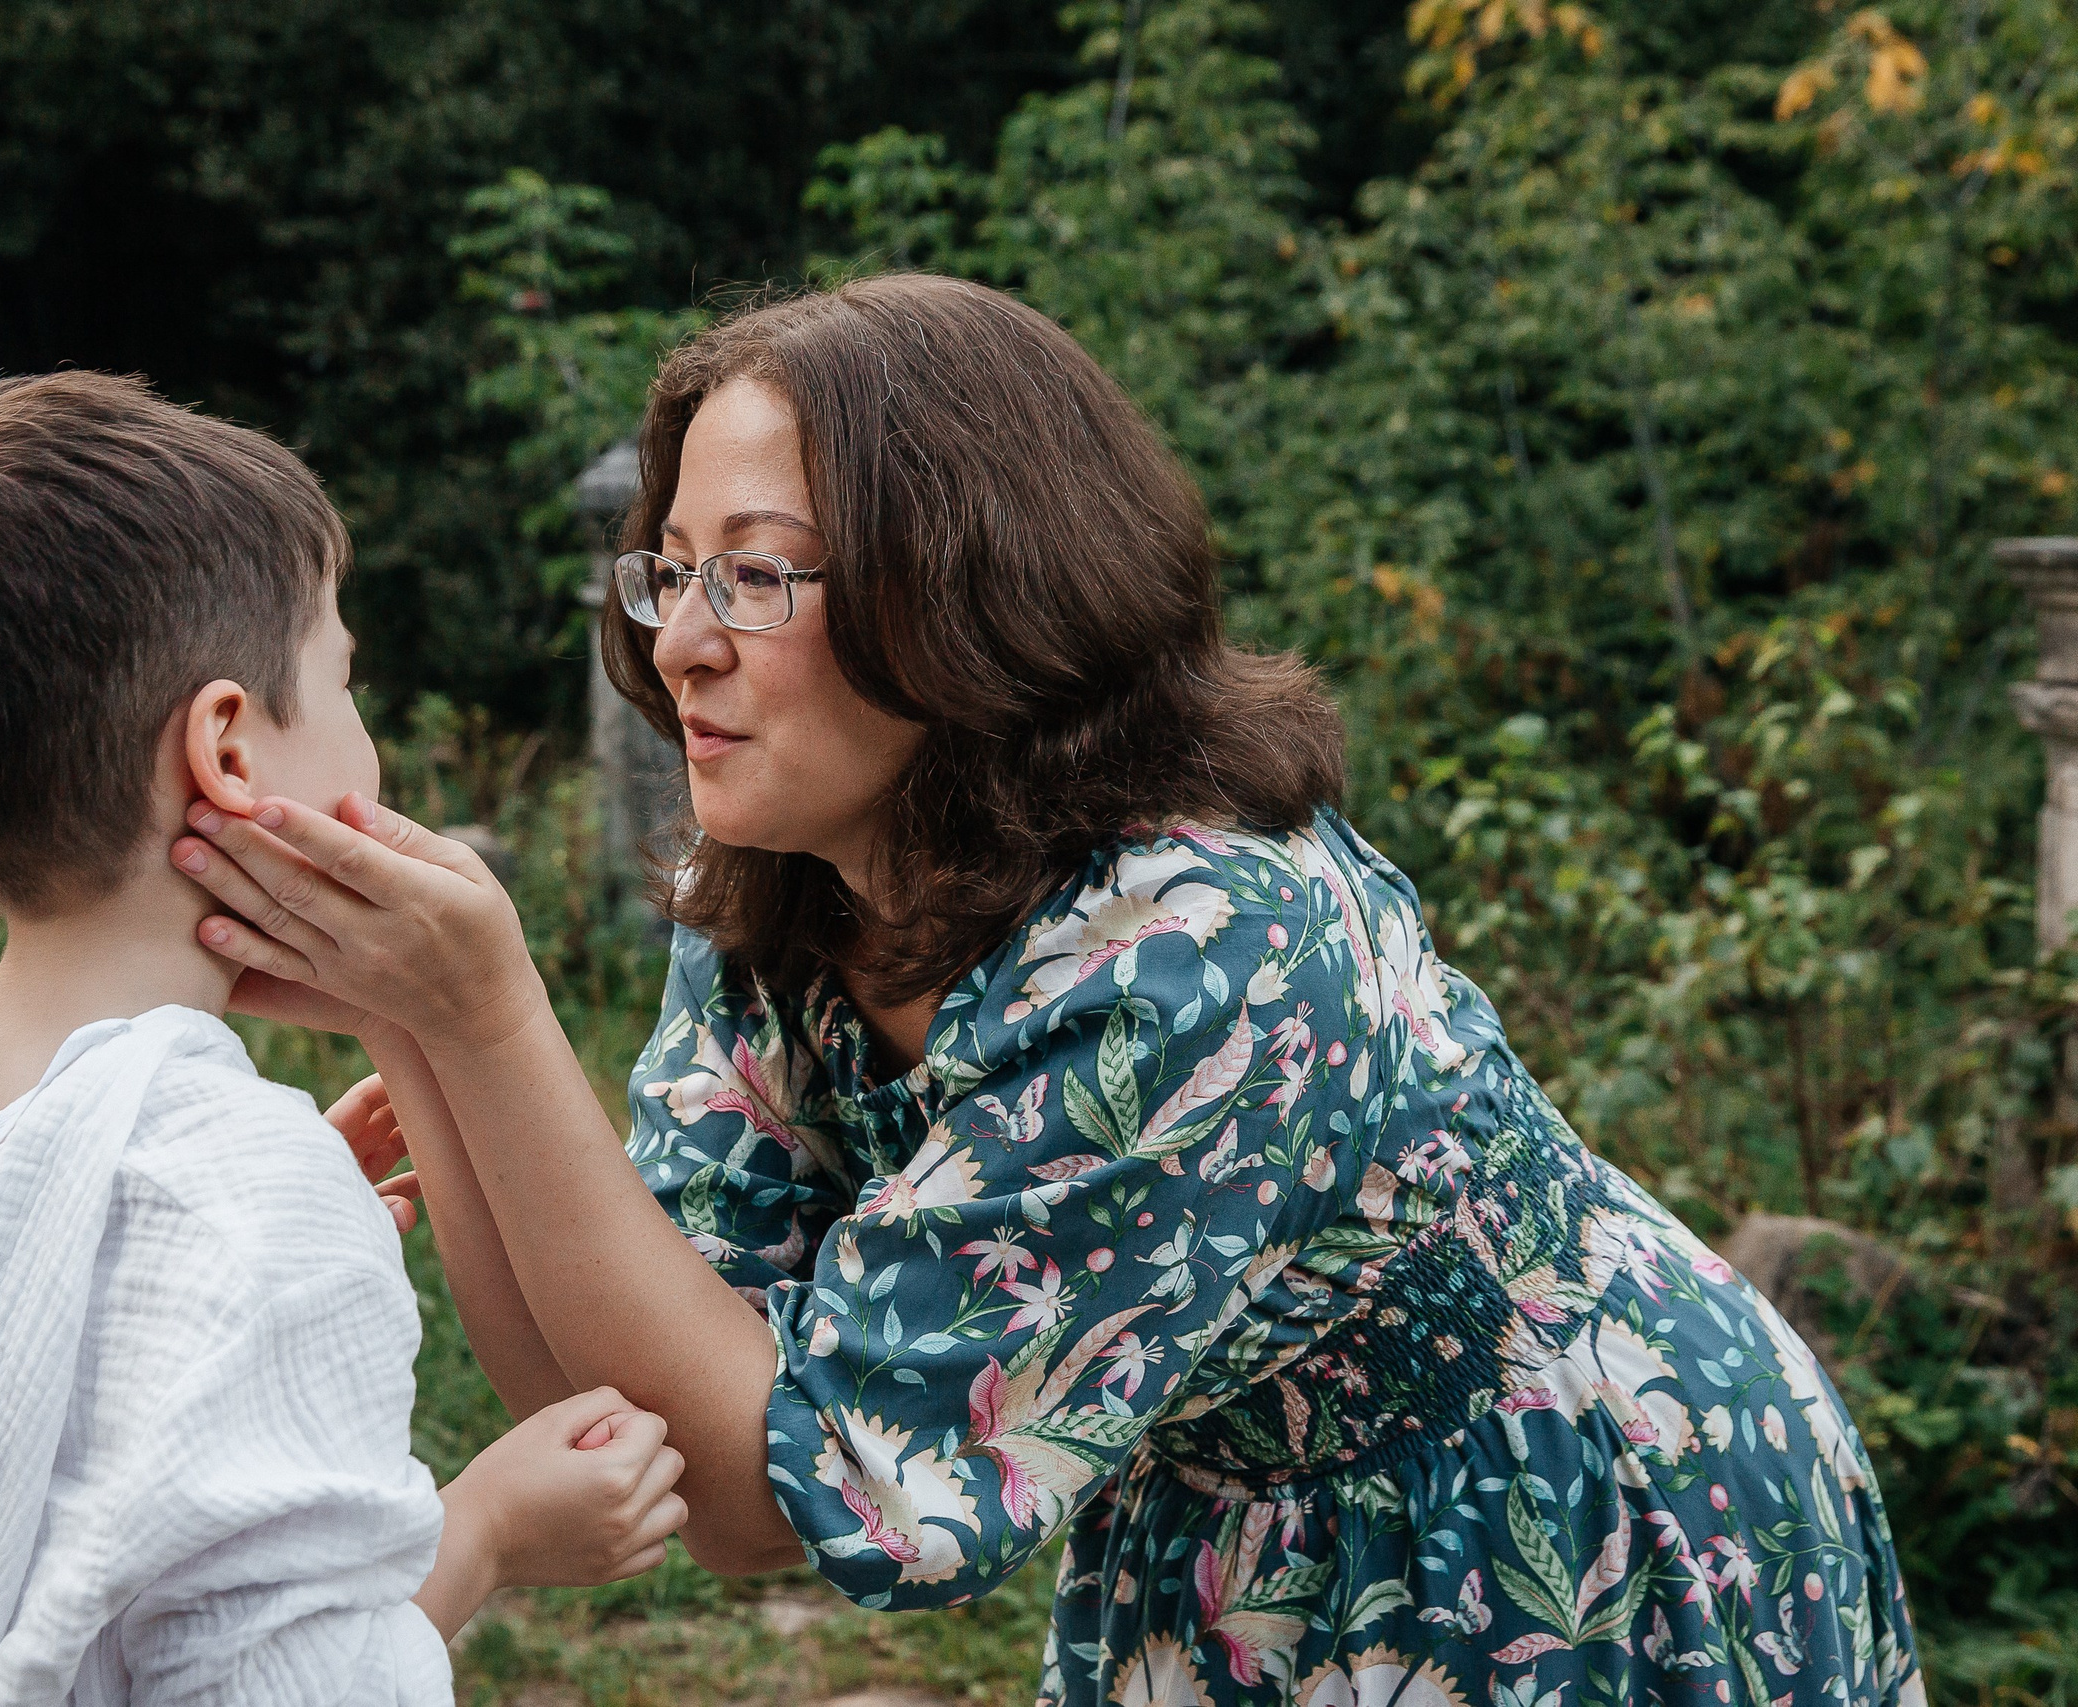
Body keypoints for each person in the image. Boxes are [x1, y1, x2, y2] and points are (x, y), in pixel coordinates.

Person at [173, 276, 1924, 1707]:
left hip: (1562, 1522)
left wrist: (491, 1020)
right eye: (675, 567)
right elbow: (644, 1428)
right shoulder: (783, 891)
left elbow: (801, 1491)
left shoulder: (1197, 955)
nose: (680, 639)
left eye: (760, 574)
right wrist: (419, 1019)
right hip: (1229, 1535)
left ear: (970, 583)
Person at [0, 372, 686, 1707]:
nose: (365, 728)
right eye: (344, 678)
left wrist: (212, 1232)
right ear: (227, 747)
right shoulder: (236, 1194)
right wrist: (486, 1531)